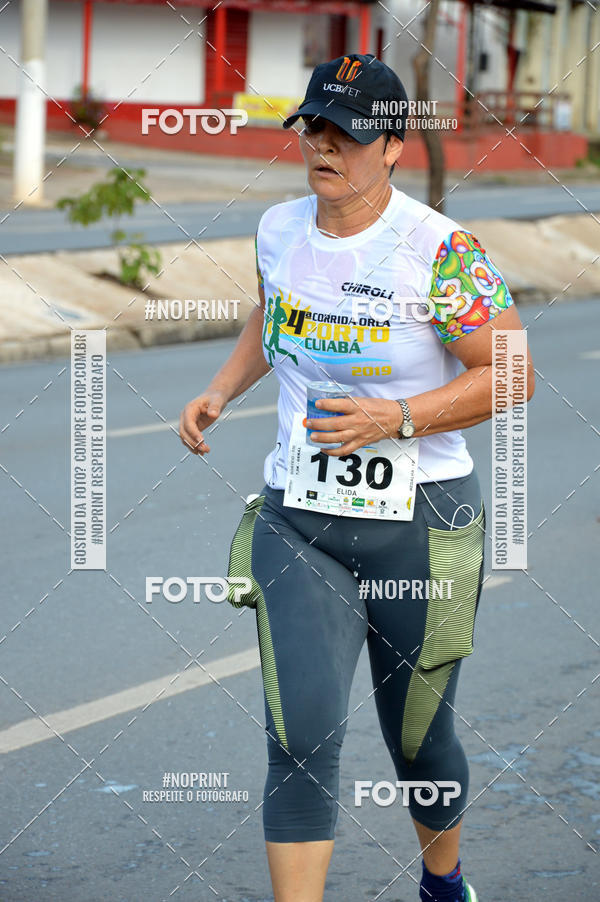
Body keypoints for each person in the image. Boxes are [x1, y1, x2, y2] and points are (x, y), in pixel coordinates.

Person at [180, 53, 534, 902]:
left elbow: (511, 371)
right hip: (300, 518)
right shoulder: (279, 228)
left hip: (425, 525)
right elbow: (276, 315)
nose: (325, 145)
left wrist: (397, 417)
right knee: (299, 734)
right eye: (314, 126)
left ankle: (443, 882)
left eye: (348, 132)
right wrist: (221, 389)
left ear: (395, 146)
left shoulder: (439, 250)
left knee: (418, 738)